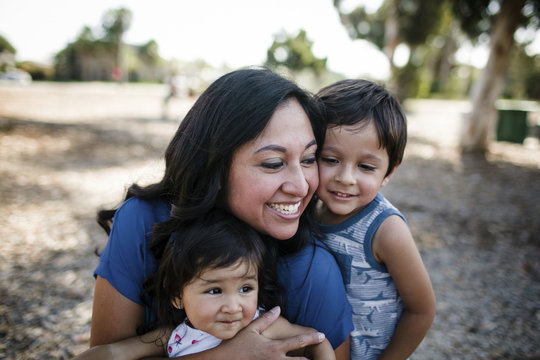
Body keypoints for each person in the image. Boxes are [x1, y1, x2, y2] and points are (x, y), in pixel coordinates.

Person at [90, 67, 353, 359]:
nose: (302, 186)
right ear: (214, 166)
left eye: (308, 159)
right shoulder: (144, 221)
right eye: (273, 163)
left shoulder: (312, 270)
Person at [75, 209, 335, 359]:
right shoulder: (174, 336)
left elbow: (317, 341)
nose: (233, 306)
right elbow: (113, 353)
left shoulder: (265, 326)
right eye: (214, 290)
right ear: (177, 294)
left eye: (246, 288)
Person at [315, 79, 436, 359]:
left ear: (389, 172)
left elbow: (422, 309)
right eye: (330, 159)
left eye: (366, 167)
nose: (345, 178)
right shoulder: (307, 211)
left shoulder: (386, 229)